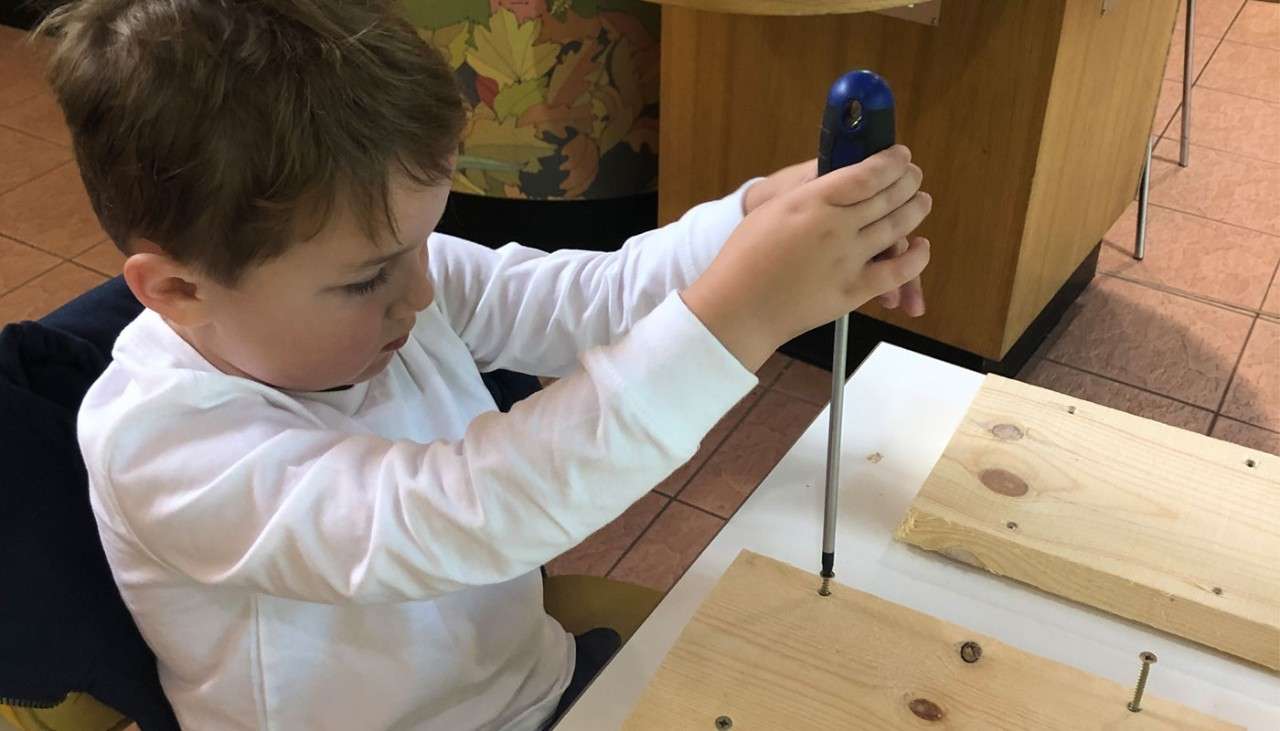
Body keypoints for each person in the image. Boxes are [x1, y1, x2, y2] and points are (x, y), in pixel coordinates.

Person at [46, 0, 931, 728]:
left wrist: (750, 221)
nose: (423, 291)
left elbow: (596, 298)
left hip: (537, 692)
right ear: (176, 290)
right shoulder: (161, 446)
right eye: (366, 278)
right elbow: (464, 515)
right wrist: (738, 316)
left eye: (425, 240)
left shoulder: (394, 286)